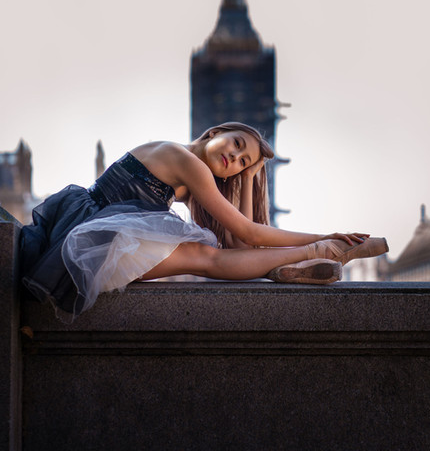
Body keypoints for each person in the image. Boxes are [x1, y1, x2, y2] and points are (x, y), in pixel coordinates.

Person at [19, 122, 388, 321]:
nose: (236, 157)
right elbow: (248, 232)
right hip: (97, 232)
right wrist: (325, 234)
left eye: (244, 161)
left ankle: (299, 262)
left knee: (211, 256)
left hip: (101, 232)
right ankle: (323, 251)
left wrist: (245, 181)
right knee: (205, 258)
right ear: (215, 133)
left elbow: (242, 246)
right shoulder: (184, 160)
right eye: (237, 144)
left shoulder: (188, 175)